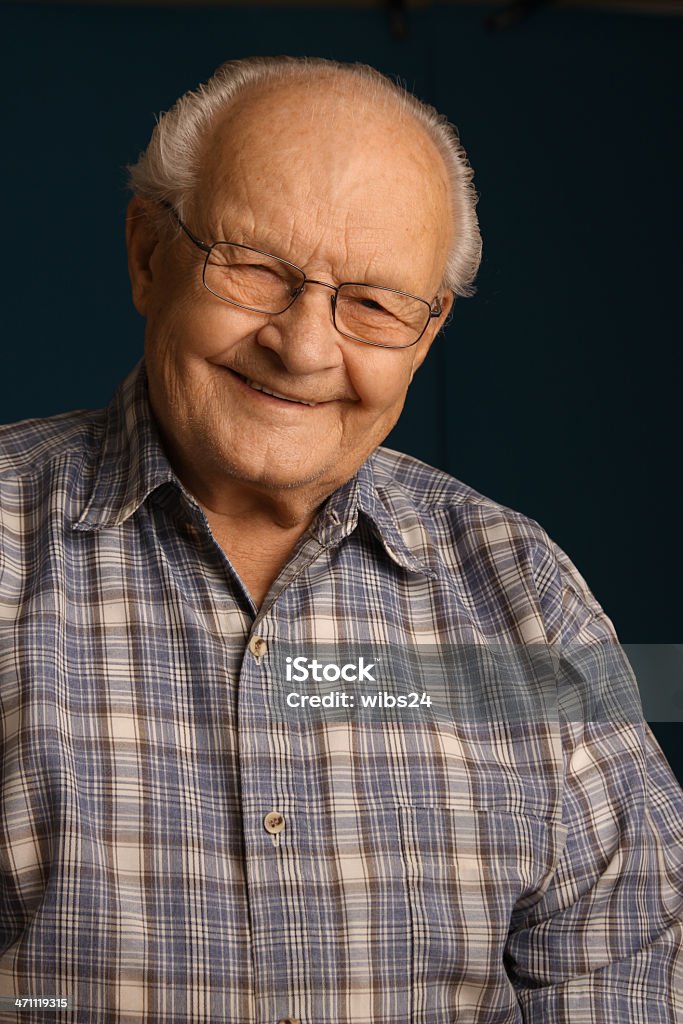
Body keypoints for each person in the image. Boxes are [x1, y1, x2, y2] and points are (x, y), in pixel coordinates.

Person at [0, 55, 680, 1024]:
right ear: (148, 253)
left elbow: (627, 968)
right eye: (257, 268)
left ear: (430, 327)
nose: (305, 346)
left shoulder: (524, 590)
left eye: (371, 303)